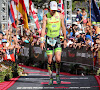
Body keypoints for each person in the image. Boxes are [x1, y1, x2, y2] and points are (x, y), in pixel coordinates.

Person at [40, 1, 67, 85]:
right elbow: (43, 29)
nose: (53, 12)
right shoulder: (45, 17)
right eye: (52, 10)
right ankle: (51, 77)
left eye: (55, 10)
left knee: (58, 59)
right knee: (50, 60)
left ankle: (58, 75)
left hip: (57, 39)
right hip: (48, 40)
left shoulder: (60, 16)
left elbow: (63, 27)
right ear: (49, 8)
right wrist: (42, 41)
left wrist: (65, 39)